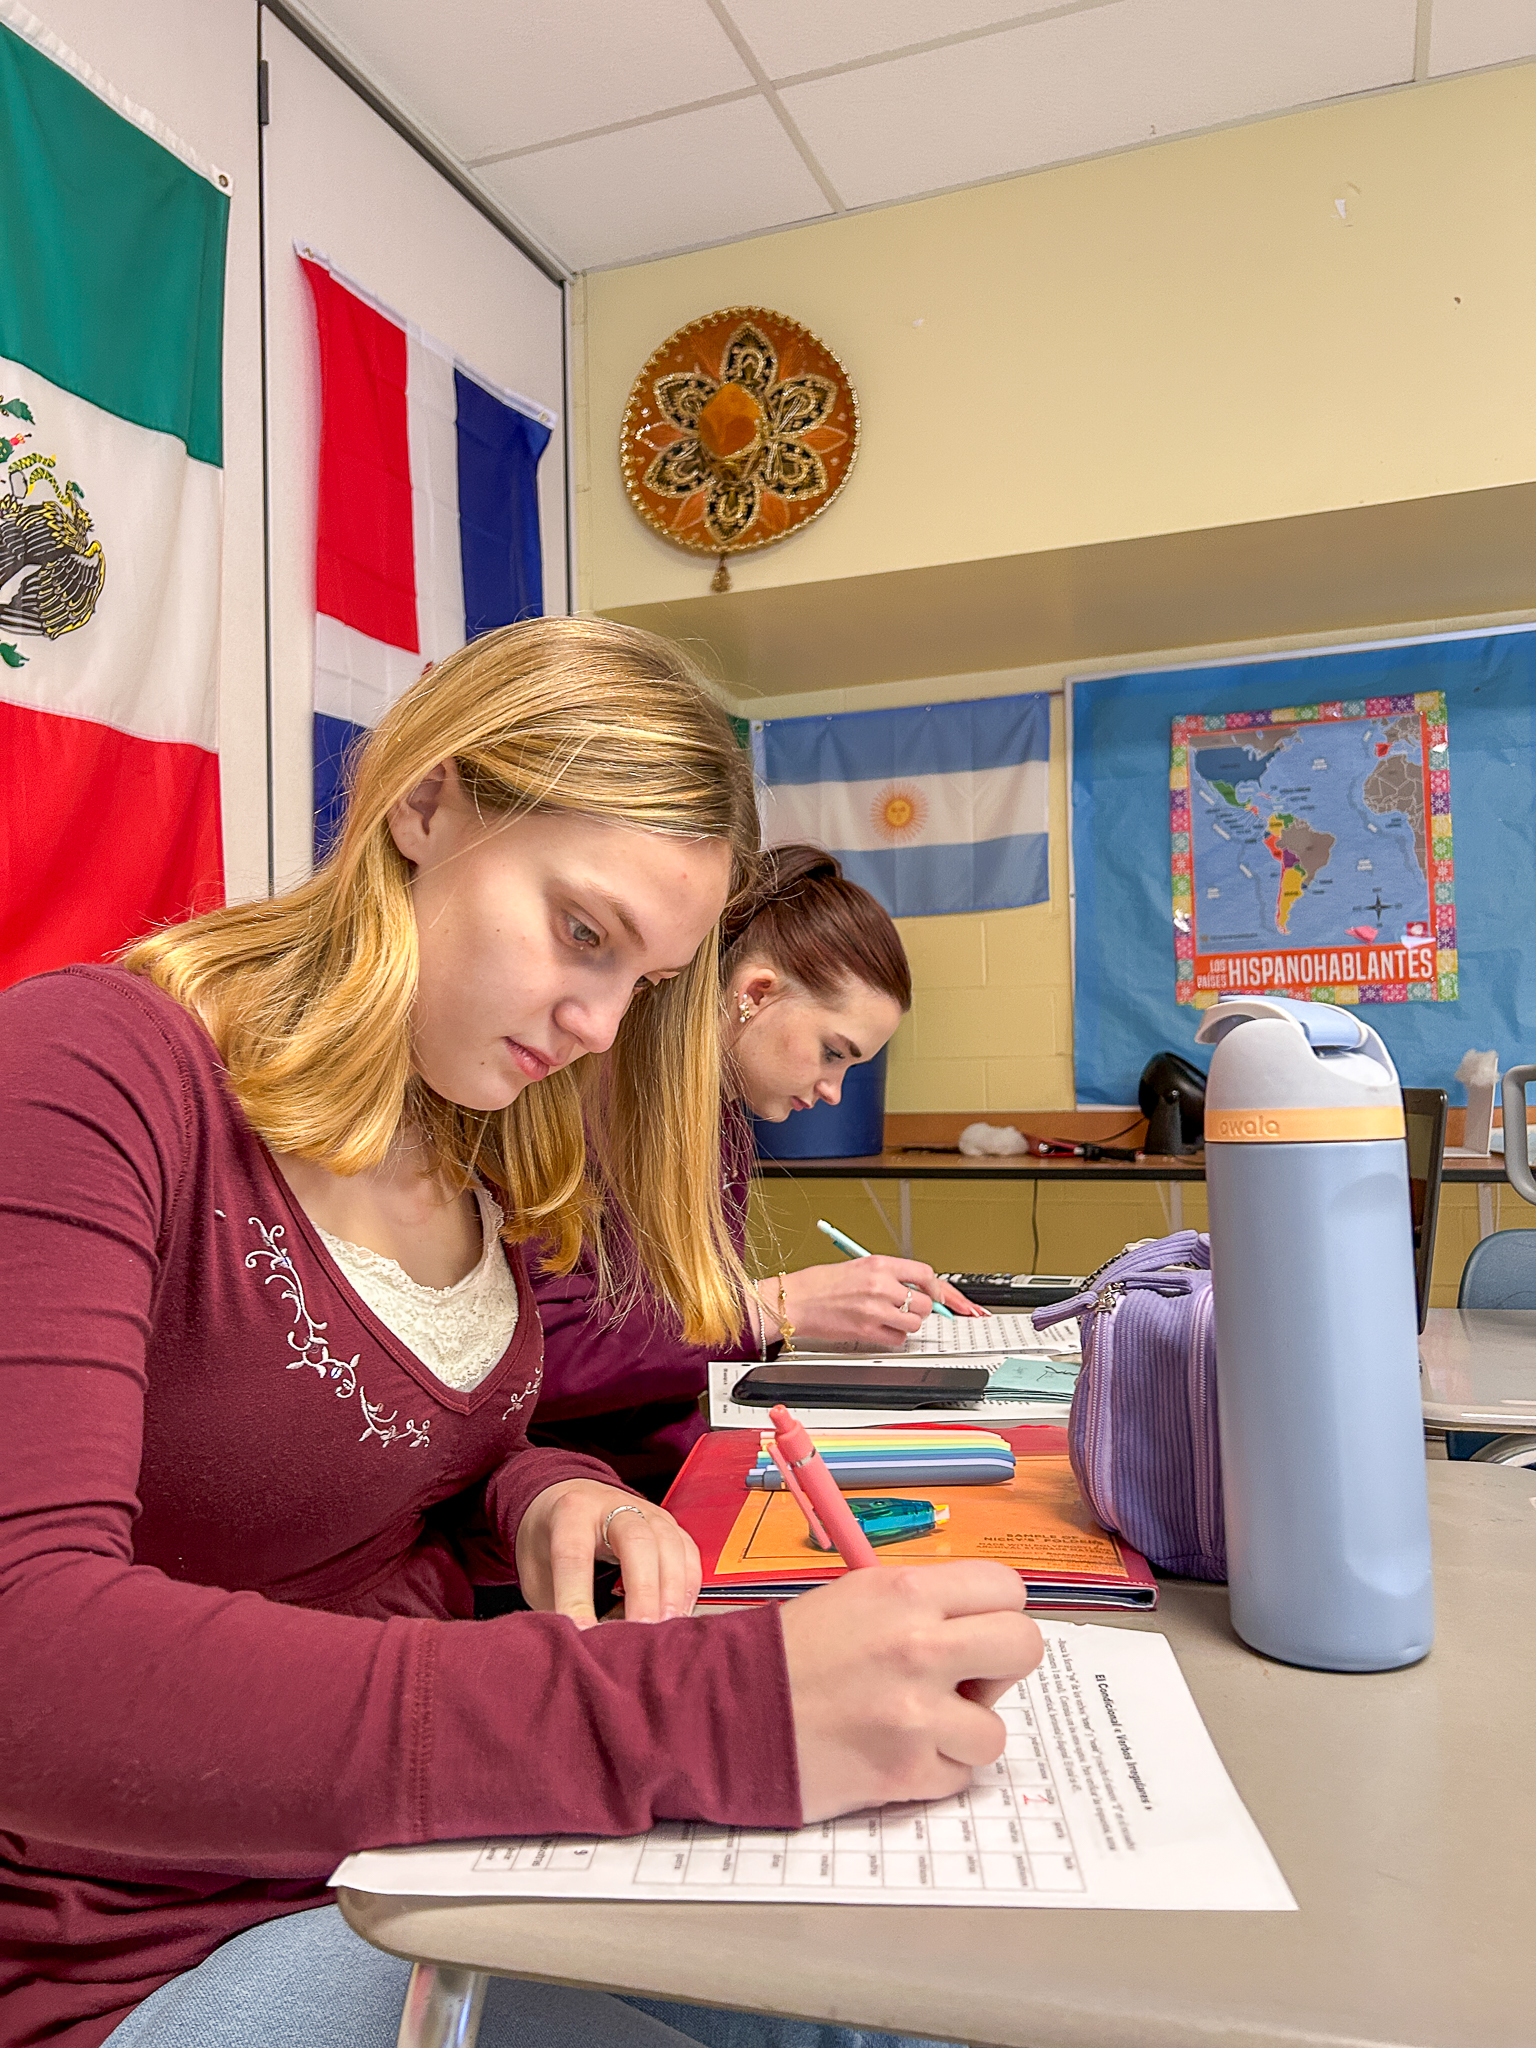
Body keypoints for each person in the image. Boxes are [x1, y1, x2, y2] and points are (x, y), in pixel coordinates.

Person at [0, 617, 1043, 2048]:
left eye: (643, 982)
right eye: (582, 933)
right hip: (142, 1941)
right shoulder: (96, 1069)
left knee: (907, 1999)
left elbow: (385, 1468)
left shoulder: (471, 1143)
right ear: (426, 803)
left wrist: (541, 1488)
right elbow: (31, 1664)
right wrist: (702, 1712)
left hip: (407, 1849)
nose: (601, 1023)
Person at [531, 844, 985, 1495]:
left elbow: (683, 1327)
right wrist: (780, 1306)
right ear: (756, 993)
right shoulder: (583, 1101)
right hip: (579, 1495)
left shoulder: (719, 1118)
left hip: (670, 1464)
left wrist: (837, 1323)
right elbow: (536, 1358)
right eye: (834, 1053)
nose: (833, 1090)